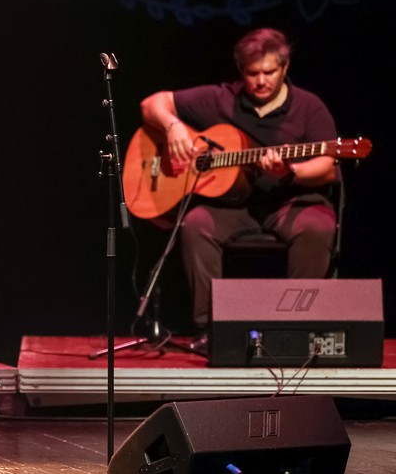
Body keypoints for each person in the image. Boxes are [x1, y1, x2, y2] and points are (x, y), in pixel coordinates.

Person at [139, 27, 338, 351]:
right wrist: (173, 126)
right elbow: (152, 104)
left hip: (292, 202)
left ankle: (298, 328)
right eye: (252, 73)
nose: (261, 81)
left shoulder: (308, 107)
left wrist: (290, 172)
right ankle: (209, 330)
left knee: (317, 228)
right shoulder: (221, 99)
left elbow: (328, 165)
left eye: (269, 72)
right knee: (196, 224)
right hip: (234, 207)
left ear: (285, 69)